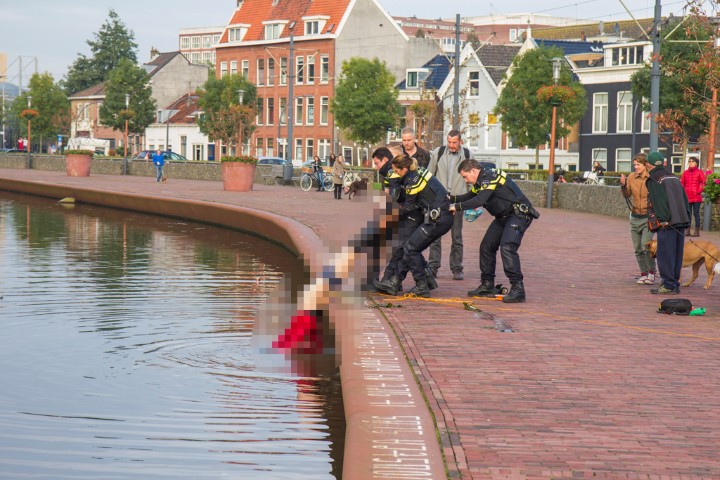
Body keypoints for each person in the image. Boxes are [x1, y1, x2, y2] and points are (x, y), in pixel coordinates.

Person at [450, 159, 537, 303]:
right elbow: (470, 196)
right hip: (503, 217)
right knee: (487, 246)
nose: (466, 181)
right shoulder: (481, 181)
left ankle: (518, 289)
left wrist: (457, 207)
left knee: (508, 247)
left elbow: (479, 200)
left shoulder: (489, 176)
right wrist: (450, 198)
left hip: (518, 214)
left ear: (473, 171)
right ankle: (487, 285)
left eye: (465, 176)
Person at [375, 155, 453, 297]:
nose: (396, 174)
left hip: (438, 218)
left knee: (410, 248)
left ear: (404, 169)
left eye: (397, 171)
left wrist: (392, 210)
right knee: (411, 247)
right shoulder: (417, 172)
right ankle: (420, 280)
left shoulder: (411, 181)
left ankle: (420, 285)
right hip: (440, 217)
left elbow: (408, 207)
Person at [427, 129, 471, 281]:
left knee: (456, 236)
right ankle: (433, 267)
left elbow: (473, 180)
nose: (452, 145)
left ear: (460, 142)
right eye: (449, 142)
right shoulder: (438, 153)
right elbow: (429, 175)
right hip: (440, 201)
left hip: (458, 201)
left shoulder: (467, 155)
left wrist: (472, 201)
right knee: (434, 235)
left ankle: (457, 268)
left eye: (455, 142)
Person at [645, 151, 690, 295]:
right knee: (677, 254)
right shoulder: (673, 177)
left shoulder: (654, 178)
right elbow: (684, 198)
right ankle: (674, 283)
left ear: (648, 165)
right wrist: (687, 218)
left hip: (668, 223)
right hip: (681, 220)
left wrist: (663, 220)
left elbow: (659, 201)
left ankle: (668, 284)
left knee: (665, 254)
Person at [620, 153, 657, 285]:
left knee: (645, 245)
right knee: (637, 248)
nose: (636, 167)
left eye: (638, 165)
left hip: (647, 217)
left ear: (645, 165)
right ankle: (644, 273)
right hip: (635, 216)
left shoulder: (651, 177)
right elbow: (627, 195)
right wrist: (623, 185)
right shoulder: (631, 177)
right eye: (634, 165)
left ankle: (652, 272)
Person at [680, 156, 705, 237]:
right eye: (689, 161)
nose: (690, 163)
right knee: (688, 214)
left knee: (696, 213)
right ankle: (687, 230)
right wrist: (683, 192)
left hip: (696, 197)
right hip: (687, 196)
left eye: (692, 161)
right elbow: (682, 183)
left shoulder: (699, 172)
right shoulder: (685, 172)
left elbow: (703, 183)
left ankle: (696, 231)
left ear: (696, 163)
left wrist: (698, 191)